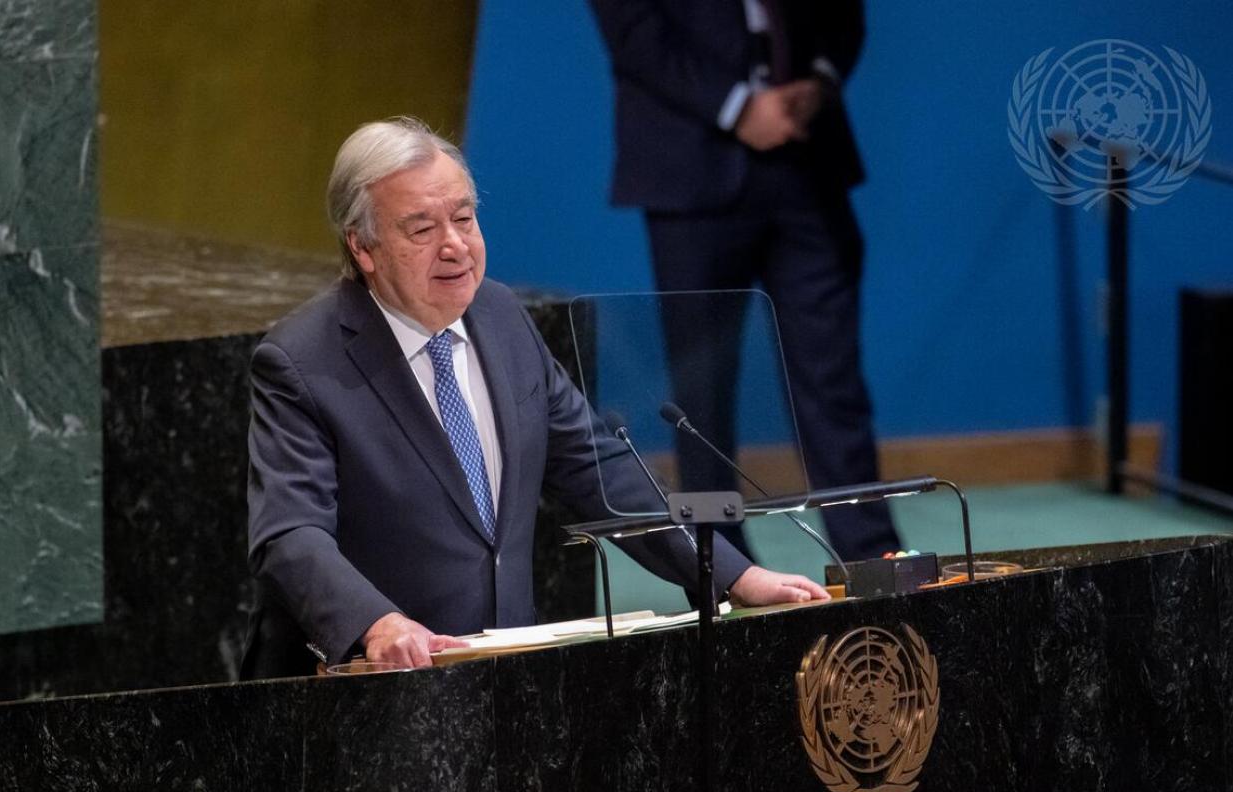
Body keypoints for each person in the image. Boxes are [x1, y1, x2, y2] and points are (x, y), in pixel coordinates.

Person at [240, 118, 829, 679]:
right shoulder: (302, 361)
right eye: (421, 229)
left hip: (502, 673)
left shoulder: (501, 317)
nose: (455, 246)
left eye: (464, 219)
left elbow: (598, 469)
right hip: (370, 685)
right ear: (363, 248)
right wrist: (377, 623)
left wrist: (734, 575)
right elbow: (289, 534)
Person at [589, 0, 902, 562]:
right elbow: (635, 32)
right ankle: (720, 567)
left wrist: (821, 84)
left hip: (810, 163)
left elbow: (844, 14)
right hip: (689, 167)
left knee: (834, 379)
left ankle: (873, 558)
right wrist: (737, 108)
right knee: (700, 391)